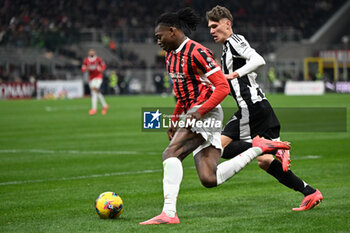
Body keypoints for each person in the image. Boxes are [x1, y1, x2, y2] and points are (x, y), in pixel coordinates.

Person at [139, 8, 290, 225]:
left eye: (159, 37)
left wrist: (197, 113)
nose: (158, 42)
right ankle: (260, 147)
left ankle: (169, 213)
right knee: (209, 178)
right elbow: (184, 94)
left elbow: (222, 88)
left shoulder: (197, 52)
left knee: (171, 153)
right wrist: (174, 120)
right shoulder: (171, 57)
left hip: (205, 110)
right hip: (194, 111)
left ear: (172, 31)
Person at [206, 5, 323, 211]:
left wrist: (235, 74)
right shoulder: (227, 50)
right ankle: (310, 192)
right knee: (265, 161)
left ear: (227, 24)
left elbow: (258, 59)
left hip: (250, 107)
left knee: (217, 149)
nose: (211, 31)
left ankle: (269, 145)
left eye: (215, 26)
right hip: (260, 107)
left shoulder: (235, 41)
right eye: (209, 27)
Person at [81, 49, 109, 115]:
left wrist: (101, 69)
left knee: (94, 91)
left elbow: (103, 65)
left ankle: (94, 109)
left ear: (94, 53)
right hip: (91, 78)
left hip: (98, 77)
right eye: (90, 52)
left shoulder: (98, 59)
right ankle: (105, 106)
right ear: (89, 53)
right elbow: (83, 69)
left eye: (92, 52)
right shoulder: (86, 60)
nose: (91, 53)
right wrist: (86, 69)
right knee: (96, 92)